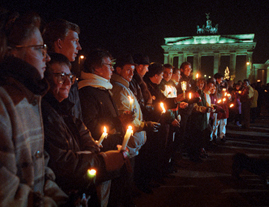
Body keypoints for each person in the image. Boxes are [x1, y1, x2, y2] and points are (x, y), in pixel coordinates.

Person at [0, 12, 68, 206]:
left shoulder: (31, 98)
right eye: (39, 49)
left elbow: (39, 166)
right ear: (11, 51)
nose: (46, 59)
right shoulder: (5, 103)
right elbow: (6, 195)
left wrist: (59, 197)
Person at [42, 52, 127, 206]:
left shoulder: (67, 113)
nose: (68, 82)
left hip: (81, 183)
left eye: (70, 77)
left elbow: (86, 138)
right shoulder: (46, 115)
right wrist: (103, 161)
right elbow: (61, 165)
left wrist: (92, 151)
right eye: (61, 76)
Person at [43, 18, 82, 119]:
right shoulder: (45, 75)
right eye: (75, 41)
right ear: (59, 43)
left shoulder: (71, 76)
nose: (79, 47)